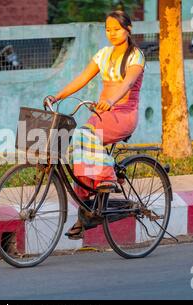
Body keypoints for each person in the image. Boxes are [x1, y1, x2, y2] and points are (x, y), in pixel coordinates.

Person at [49, 10, 146, 240]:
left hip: (123, 115)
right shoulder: (104, 54)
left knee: (83, 134)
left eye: (117, 29)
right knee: (75, 149)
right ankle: (87, 213)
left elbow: (128, 82)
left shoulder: (136, 56)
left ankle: (108, 177)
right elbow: (83, 78)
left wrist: (111, 100)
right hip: (102, 116)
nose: (112, 33)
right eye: (108, 29)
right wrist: (58, 96)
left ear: (128, 29)